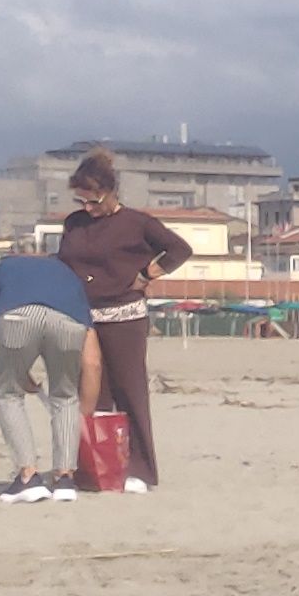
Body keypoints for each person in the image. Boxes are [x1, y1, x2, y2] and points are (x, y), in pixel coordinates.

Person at [54, 152, 194, 492]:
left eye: (93, 200)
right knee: (91, 392)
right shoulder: (73, 223)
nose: (87, 207)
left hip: (124, 316)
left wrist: (147, 275)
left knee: (129, 390)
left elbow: (179, 250)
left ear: (111, 192)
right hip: (82, 315)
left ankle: (141, 470)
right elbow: (63, 261)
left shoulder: (137, 223)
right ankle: (100, 465)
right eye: (81, 201)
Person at [0, 237, 94, 499]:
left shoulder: (1, 270)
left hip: (18, 318)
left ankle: (28, 475)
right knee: (65, 396)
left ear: (12, 253)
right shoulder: (66, 273)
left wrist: (13, 369)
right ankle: (65, 477)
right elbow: (88, 333)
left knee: (8, 393)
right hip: (68, 323)